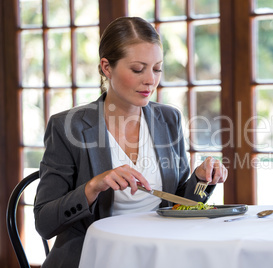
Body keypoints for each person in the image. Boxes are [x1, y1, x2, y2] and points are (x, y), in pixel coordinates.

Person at [34, 16, 228, 268]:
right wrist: (93, 187)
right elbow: (44, 222)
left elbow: (179, 204)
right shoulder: (69, 126)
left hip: (160, 255)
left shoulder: (168, 119)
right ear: (106, 67)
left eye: (157, 68)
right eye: (138, 69)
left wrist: (201, 180)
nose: (151, 80)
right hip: (94, 257)